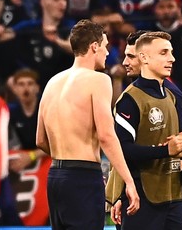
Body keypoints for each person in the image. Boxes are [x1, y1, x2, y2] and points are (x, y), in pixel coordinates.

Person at [36, 19, 140, 229]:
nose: (107, 53)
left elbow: (40, 140)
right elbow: (106, 136)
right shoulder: (98, 80)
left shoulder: (52, 82)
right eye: (105, 47)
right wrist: (128, 180)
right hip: (82, 177)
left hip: (56, 177)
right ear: (94, 46)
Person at [108, 32, 182, 229]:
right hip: (142, 198)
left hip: (172, 198)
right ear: (144, 57)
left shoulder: (173, 96)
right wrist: (121, 193)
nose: (172, 58)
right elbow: (122, 150)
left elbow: (181, 148)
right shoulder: (130, 99)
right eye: (164, 53)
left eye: (170, 52)